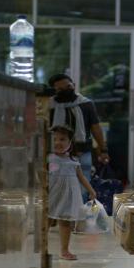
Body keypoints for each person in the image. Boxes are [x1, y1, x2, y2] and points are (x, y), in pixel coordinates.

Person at [48, 73, 109, 202]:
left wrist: (103, 150)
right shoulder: (49, 106)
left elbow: (96, 128)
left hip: (82, 153)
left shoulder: (86, 104)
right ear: (54, 91)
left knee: (82, 190)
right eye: (60, 89)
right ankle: (63, 219)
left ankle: (79, 218)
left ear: (74, 86)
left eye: (68, 86)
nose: (66, 90)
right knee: (57, 189)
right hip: (57, 156)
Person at [48, 125, 97, 260]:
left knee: (65, 223)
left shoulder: (73, 161)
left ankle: (64, 250)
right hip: (52, 196)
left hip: (68, 197)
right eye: (54, 139)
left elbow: (81, 177)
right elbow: (41, 175)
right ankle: (42, 248)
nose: (58, 142)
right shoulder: (49, 159)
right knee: (45, 221)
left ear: (70, 142)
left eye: (62, 139)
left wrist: (91, 190)